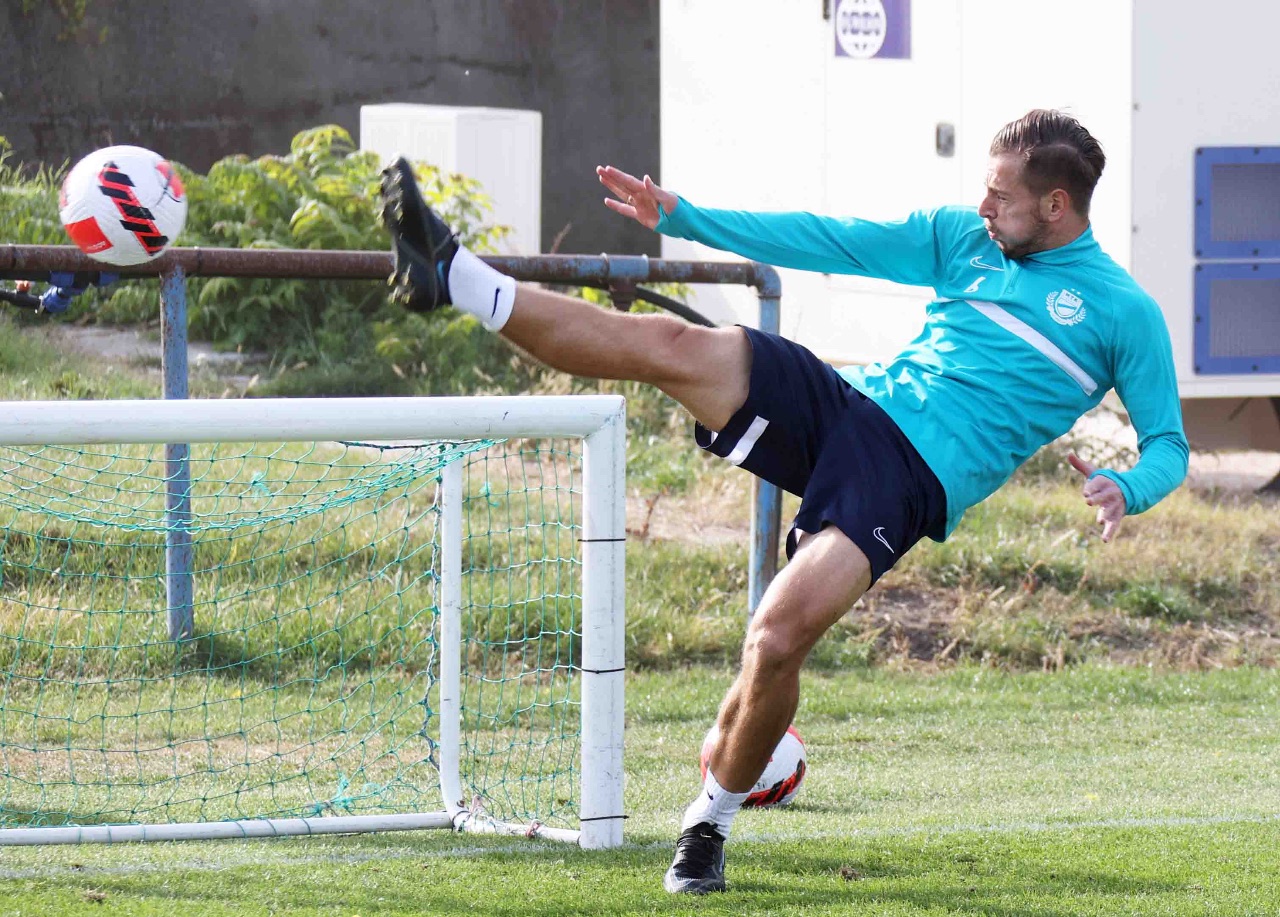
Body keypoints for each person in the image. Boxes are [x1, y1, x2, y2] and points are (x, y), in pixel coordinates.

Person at [377, 108, 1189, 894]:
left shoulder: (1123, 313)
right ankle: (455, 276)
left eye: (1001, 195)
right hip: (848, 408)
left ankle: (707, 824)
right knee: (673, 345)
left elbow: (1170, 447)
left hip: (908, 479)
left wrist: (1126, 486)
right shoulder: (963, 238)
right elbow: (827, 238)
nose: (983, 205)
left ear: (1056, 205)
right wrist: (683, 215)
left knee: (774, 640)